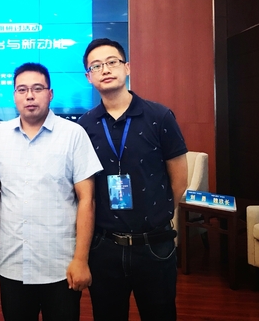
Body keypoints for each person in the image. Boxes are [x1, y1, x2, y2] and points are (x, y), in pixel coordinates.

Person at [78, 38, 189, 321]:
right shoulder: (84, 126)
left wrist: (155, 216)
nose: (105, 69)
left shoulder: (159, 116)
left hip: (154, 245)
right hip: (104, 247)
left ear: (127, 67)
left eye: (112, 62)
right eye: (96, 66)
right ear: (89, 77)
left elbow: (179, 180)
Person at [0, 62, 102, 321]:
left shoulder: (73, 134)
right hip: (12, 262)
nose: (30, 96)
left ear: (50, 94)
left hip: (60, 266)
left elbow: (87, 200)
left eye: (37, 89)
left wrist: (81, 259)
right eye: (22, 89)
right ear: (14, 95)